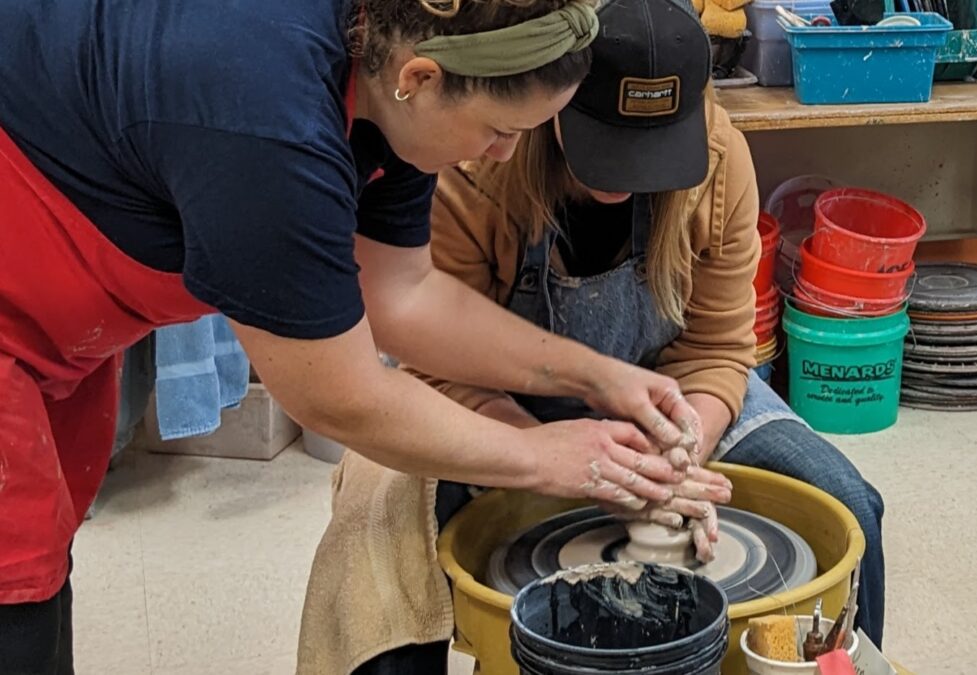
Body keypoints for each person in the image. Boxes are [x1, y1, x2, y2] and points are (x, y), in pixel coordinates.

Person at [0, 2, 724, 672]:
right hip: (17, 276)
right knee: (14, 576)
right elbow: (337, 394)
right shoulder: (265, 116)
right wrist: (541, 456)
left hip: (65, 310)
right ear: (422, 78)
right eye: (501, 132)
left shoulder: (394, 85)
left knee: (41, 560)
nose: (505, 155)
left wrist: (597, 376)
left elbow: (402, 296)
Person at [298, 1, 886, 672]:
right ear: (555, 100)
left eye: (651, 152)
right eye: (605, 147)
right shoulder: (474, 154)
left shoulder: (720, 159)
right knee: (372, 547)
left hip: (666, 396)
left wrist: (677, 450)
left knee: (847, 503)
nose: (624, 179)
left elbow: (719, 349)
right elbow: (435, 362)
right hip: (485, 398)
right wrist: (534, 453)